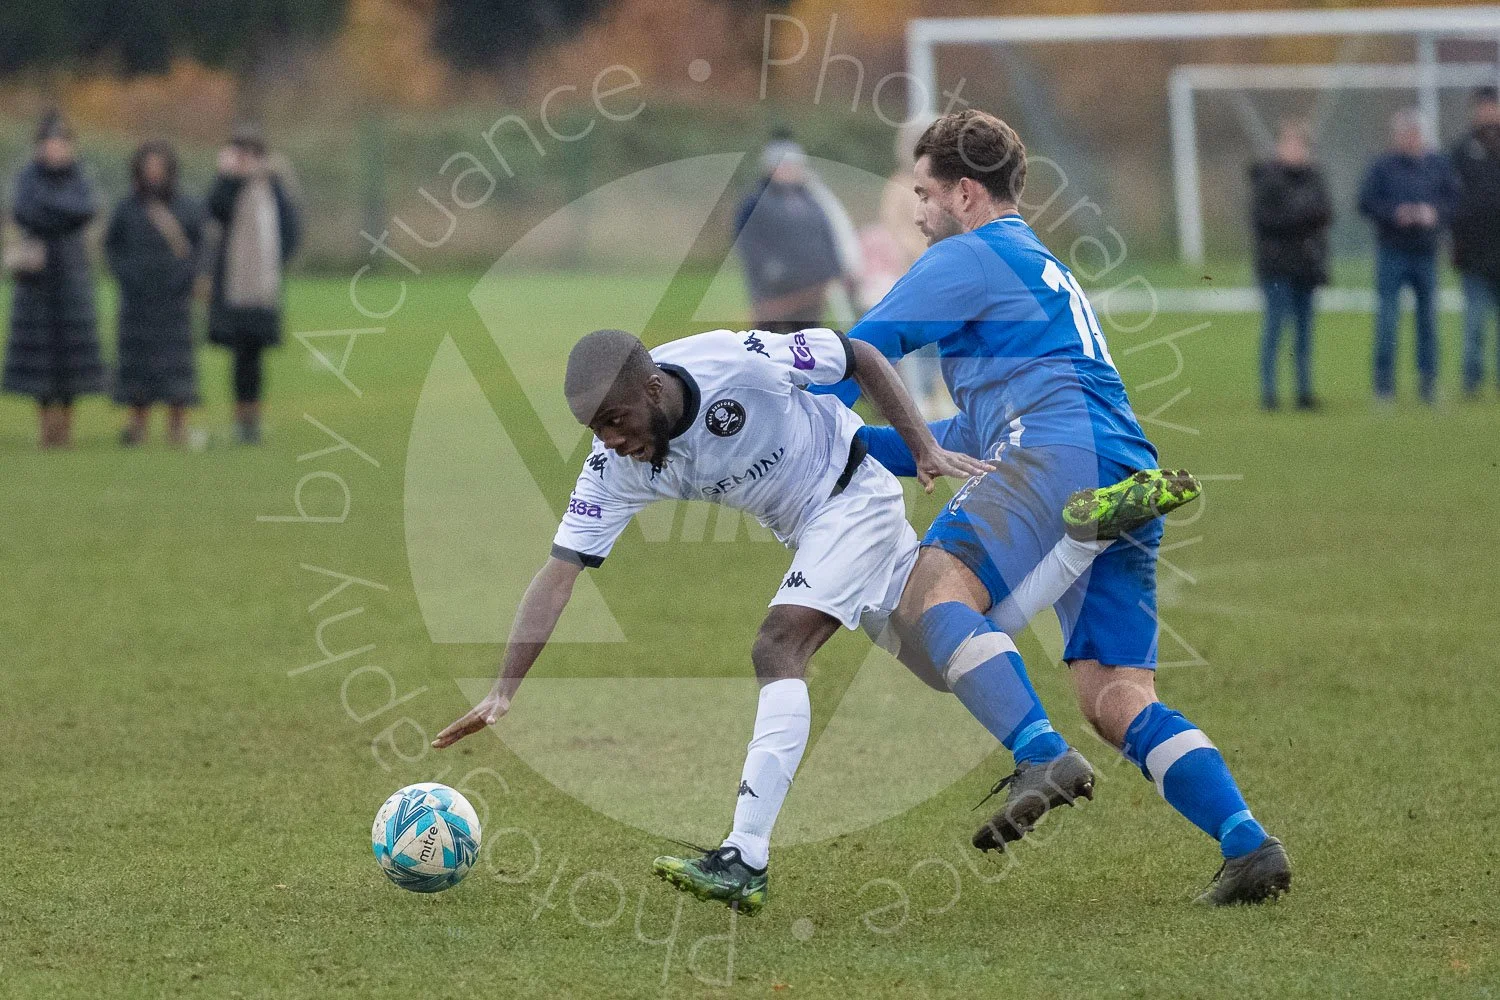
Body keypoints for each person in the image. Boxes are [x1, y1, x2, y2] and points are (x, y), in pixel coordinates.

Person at [430, 325, 1195, 914]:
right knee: (938, 652)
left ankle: (745, 856)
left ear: (655, 388)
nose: (613, 442)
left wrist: (923, 448)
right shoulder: (619, 466)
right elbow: (560, 573)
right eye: (597, 432)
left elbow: (858, 353)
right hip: (813, 528)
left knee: (777, 646)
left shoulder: (742, 359)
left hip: (851, 495)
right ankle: (1085, 536)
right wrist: (504, 689)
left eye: (618, 421)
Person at [823, 109, 1288, 905]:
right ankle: (1248, 843)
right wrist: (853, 448)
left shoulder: (967, 255)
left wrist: (766, 410)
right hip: (1114, 457)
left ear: (966, 192)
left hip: (1049, 447)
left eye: (927, 193)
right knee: (1113, 697)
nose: (919, 210)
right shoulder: (1036, 265)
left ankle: (1037, 753)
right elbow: (956, 435)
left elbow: (854, 357)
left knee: (933, 597)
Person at [2, 111, 103, 447]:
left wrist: (49, 210)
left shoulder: (79, 178)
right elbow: (25, 211)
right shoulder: (28, 178)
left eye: (62, 143)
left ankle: (67, 425)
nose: (56, 149)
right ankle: (46, 425)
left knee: (73, 354)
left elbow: (83, 210)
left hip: (72, 275)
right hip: (36, 280)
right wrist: (60, 213)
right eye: (50, 143)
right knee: (39, 355)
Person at [206, 125, 301, 444]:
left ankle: (254, 420)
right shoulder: (228, 186)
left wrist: (275, 261)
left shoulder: (274, 186)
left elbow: (290, 228)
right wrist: (228, 177)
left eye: (251, 153)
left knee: (256, 357)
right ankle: (239, 419)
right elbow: (214, 210)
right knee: (238, 355)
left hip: (263, 287)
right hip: (234, 285)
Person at [105, 141, 204, 446]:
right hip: (136, 299)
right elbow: (112, 247)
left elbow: (199, 248)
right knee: (136, 363)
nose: (154, 172)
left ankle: (177, 427)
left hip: (174, 299)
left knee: (177, 364)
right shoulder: (126, 208)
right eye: (149, 167)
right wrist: (127, 276)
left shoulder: (186, 207)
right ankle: (137, 426)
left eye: (159, 167)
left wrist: (184, 278)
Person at [1358, 110, 1459, 404]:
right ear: (1397, 136)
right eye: (1406, 133)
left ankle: (1428, 384)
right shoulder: (1382, 167)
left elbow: (1453, 200)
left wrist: (1434, 214)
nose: (1411, 138)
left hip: (1426, 252)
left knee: (1427, 321)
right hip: (1392, 251)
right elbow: (1366, 202)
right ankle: (1383, 386)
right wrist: (1394, 214)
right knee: (1388, 320)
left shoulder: (1438, 166)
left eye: (1416, 133)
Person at [733, 139, 859, 332]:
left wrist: (835, 270)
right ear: (772, 168)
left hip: (812, 292)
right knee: (771, 343)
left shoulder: (811, 201)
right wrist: (771, 272)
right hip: (775, 293)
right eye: (787, 165)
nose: (794, 170)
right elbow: (749, 244)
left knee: (806, 343)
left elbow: (826, 235)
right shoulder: (756, 203)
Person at [1250, 121, 1332, 410]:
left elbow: (1325, 213)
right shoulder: (1268, 179)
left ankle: (1303, 392)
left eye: (1300, 145)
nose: (1296, 151)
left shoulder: (1314, 179)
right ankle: (1269, 393)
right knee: (1274, 330)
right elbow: (1266, 220)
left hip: (1306, 267)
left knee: (1304, 334)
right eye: (1290, 144)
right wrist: (1300, 219)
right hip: (1276, 267)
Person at [1450, 88, 1500, 398]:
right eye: (1483, 107)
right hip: (1474, 250)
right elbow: (1454, 199)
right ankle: (1472, 380)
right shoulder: (1461, 150)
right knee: (1474, 321)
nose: (1489, 112)